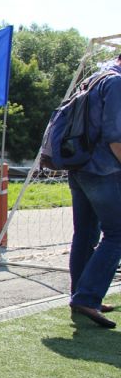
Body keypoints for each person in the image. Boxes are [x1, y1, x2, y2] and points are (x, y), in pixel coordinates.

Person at [68, 54, 121, 329]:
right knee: (117, 233)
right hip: (102, 169)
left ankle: (80, 294)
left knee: (86, 233)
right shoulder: (116, 83)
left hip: (78, 166)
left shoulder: (93, 78)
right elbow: (115, 137)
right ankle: (87, 296)